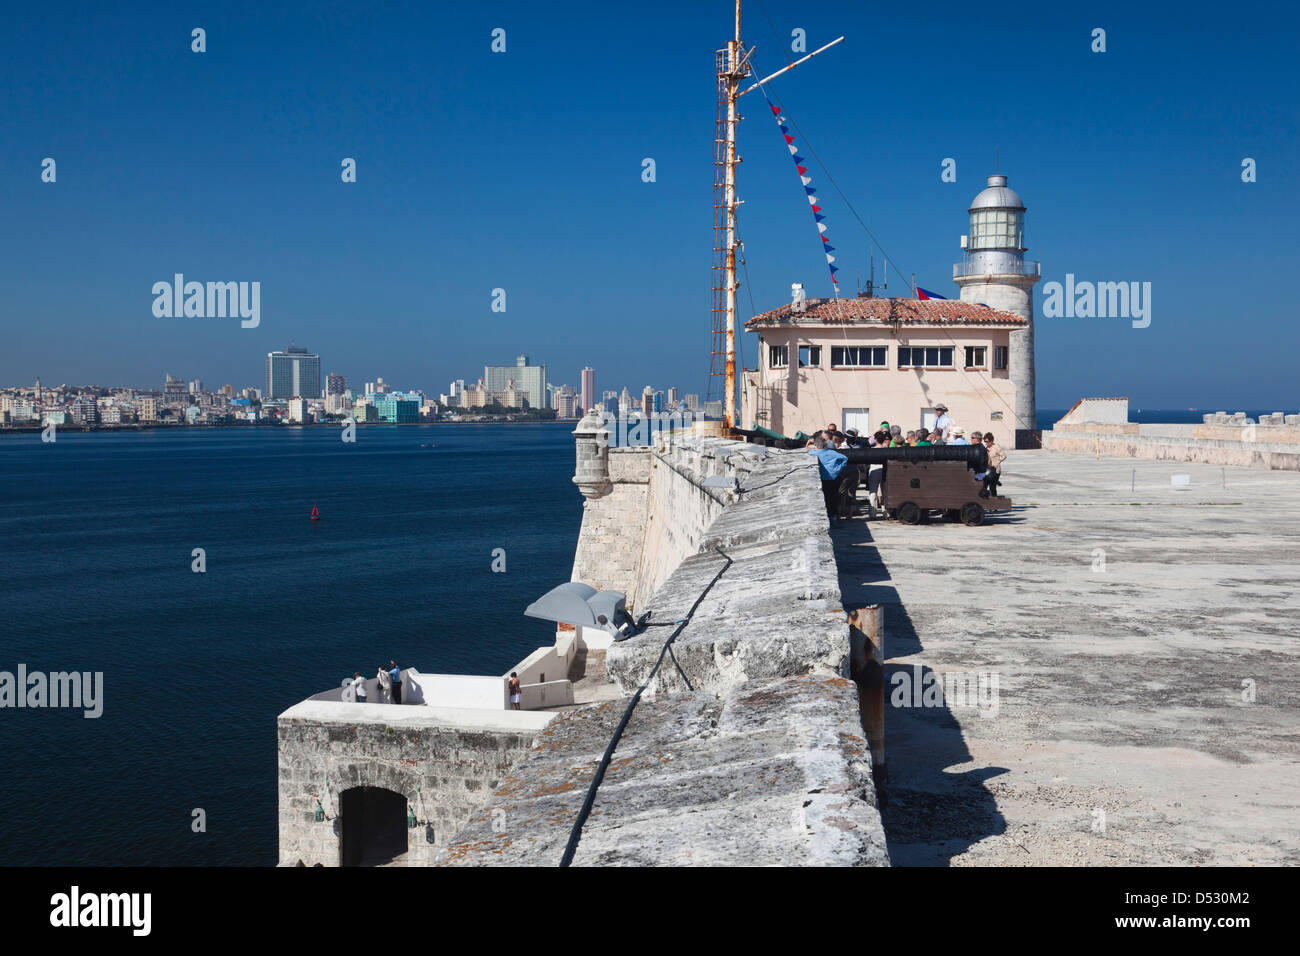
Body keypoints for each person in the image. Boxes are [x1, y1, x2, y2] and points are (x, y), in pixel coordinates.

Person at [807, 436, 849, 525]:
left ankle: (827, 517)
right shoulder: (831, 452)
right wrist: (839, 467)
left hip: (823, 479)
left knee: (825, 498)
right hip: (834, 478)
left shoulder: (814, 453)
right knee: (833, 498)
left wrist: (810, 446)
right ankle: (834, 517)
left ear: (816, 445)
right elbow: (845, 458)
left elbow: (808, 452)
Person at [981, 432, 1007, 498]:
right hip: (988, 470)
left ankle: (994, 503)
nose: (986, 443)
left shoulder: (996, 447)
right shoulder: (986, 448)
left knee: (992, 487)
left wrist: (998, 462)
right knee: (984, 485)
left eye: (987, 441)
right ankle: (986, 501)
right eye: (985, 441)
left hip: (995, 470)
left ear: (991, 441)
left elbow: (1004, 456)